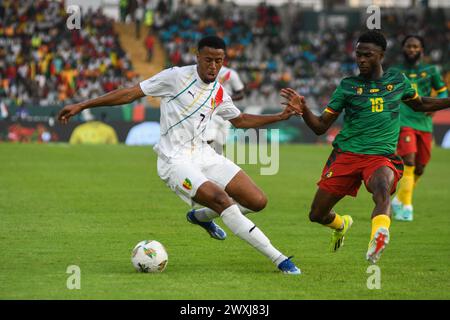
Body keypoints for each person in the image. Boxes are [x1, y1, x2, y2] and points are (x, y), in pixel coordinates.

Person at [58, 36, 301, 275]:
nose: (213, 66)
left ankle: (200, 217)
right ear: (197, 56)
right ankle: (279, 259)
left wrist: (279, 117)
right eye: (208, 60)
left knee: (257, 201)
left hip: (205, 154)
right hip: (174, 160)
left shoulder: (218, 92)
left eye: (218, 61)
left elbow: (241, 120)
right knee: (222, 200)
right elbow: (131, 93)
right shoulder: (175, 77)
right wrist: (82, 105)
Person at [281, 30, 450, 264]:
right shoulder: (348, 86)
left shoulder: (397, 81)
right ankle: (342, 225)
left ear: (381, 55)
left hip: (381, 156)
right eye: (358, 55)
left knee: (382, 190)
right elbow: (321, 127)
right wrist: (304, 110)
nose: (361, 60)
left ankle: (378, 238)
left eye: (367, 55)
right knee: (316, 214)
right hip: (346, 155)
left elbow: (420, 104)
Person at [389, 35, 448, 221]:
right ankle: (407, 206)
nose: (412, 49)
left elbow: (442, 91)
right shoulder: (394, 71)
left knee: (421, 167)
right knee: (409, 159)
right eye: (409, 46)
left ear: (421, 50)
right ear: (403, 48)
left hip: (424, 122)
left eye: (416, 46)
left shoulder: (430, 70)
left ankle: (399, 199)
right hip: (403, 120)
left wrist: (437, 105)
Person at [205, 65, 245, 154]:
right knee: (208, 138)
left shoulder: (230, 73)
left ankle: (217, 161)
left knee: (221, 142)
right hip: (211, 111)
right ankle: (204, 159)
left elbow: (241, 94)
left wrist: (225, 99)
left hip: (226, 113)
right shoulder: (204, 71)